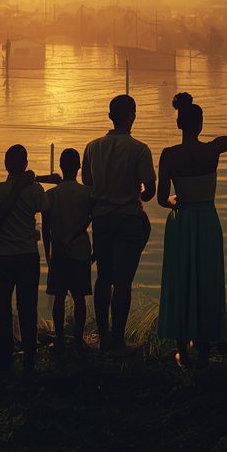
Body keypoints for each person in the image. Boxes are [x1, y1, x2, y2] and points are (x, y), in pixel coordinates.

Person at [155, 80, 227, 366]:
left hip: (181, 223)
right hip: (207, 221)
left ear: (179, 124)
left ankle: (183, 350)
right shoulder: (212, 150)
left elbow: (162, 199)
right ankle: (203, 349)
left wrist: (178, 202)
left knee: (181, 280)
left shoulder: (168, 155)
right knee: (205, 281)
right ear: (200, 124)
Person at [82, 95, 156, 353]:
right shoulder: (139, 149)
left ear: (110, 116)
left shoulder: (92, 148)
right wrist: (137, 191)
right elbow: (150, 192)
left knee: (103, 278)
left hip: (101, 220)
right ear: (131, 116)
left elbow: (88, 186)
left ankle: (103, 339)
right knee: (123, 281)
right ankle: (118, 340)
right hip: (128, 219)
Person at [0, 145, 46, 374]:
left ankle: (4, 358)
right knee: (28, 307)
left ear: (5, 165)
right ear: (26, 164)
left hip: (1, 257)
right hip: (27, 255)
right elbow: (45, 214)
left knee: (1, 309)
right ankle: (29, 358)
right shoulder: (35, 191)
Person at [42, 148, 93, 354]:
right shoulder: (87, 193)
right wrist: (96, 248)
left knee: (59, 297)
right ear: (79, 167)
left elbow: (46, 229)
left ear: (61, 167)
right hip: (80, 251)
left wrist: (48, 254)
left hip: (59, 254)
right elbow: (93, 219)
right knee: (80, 298)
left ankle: (61, 340)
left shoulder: (50, 195)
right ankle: (79, 340)